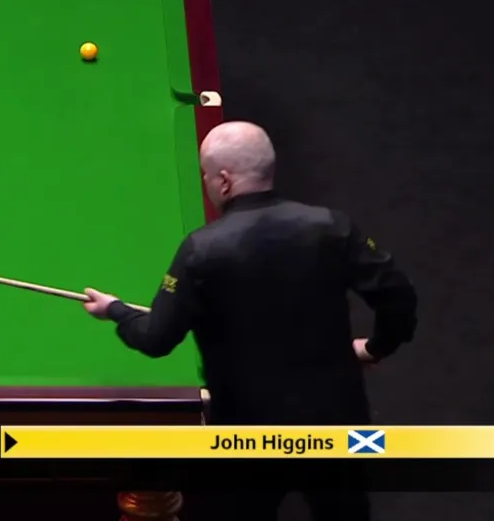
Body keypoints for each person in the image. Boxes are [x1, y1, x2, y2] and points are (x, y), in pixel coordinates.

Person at [81, 121, 418, 521]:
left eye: (206, 175)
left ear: (224, 181)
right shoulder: (332, 226)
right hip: (335, 422)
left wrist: (116, 310)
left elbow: (156, 339)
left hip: (248, 433)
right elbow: (398, 296)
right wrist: (378, 346)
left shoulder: (201, 250)